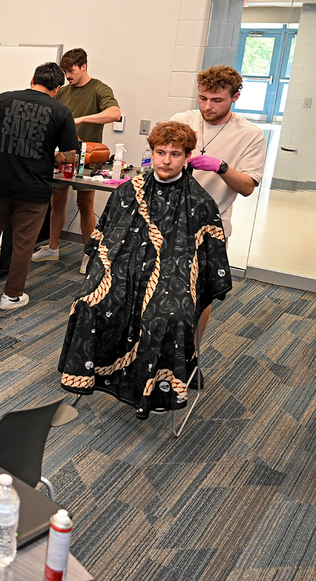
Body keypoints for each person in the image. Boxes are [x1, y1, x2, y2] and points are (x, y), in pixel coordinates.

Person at [58, 121, 231, 418]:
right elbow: (104, 241)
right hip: (123, 273)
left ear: (187, 156)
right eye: (160, 152)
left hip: (170, 281)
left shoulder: (201, 203)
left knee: (167, 317)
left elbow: (207, 266)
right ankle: (91, 376)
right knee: (88, 303)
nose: (166, 160)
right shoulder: (127, 192)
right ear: (151, 152)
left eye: (175, 154)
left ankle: (157, 390)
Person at [171, 65, 266, 344]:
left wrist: (221, 167)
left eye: (217, 100)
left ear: (235, 97)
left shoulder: (249, 134)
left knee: (198, 294)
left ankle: (191, 357)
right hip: (169, 220)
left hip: (211, 226)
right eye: (202, 98)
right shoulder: (181, 120)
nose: (207, 106)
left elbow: (248, 187)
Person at [0, 62, 80, 311]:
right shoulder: (61, 111)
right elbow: (70, 155)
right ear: (57, 88)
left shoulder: (4, 99)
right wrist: (51, 156)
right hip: (33, 190)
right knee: (24, 245)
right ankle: (11, 296)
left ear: (33, 78)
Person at [32, 48, 121, 274]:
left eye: (71, 71)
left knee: (86, 205)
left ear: (84, 67)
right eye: (65, 71)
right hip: (63, 155)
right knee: (57, 201)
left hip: (87, 158)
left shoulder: (100, 88)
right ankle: (52, 248)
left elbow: (114, 113)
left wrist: (80, 119)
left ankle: (87, 254)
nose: (68, 75)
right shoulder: (63, 91)